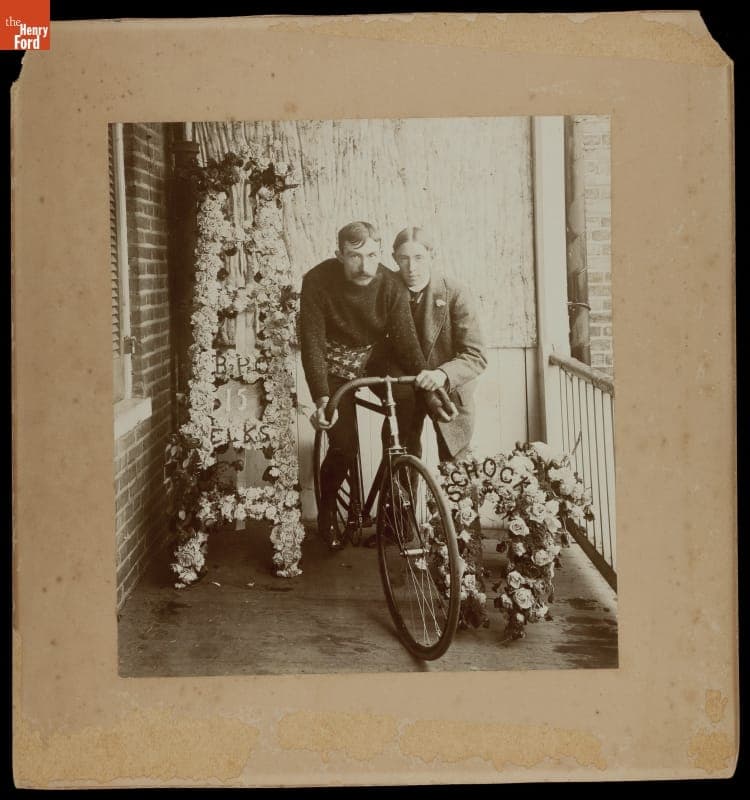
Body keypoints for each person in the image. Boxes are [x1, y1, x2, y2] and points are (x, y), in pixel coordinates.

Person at [299, 221, 450, 550]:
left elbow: (407, 346)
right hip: (335, 366)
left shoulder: (390, 285)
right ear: (339, 254)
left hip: (374, 358)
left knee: (408, 407)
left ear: (380, 253)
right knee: (344, 445)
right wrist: (322, 397)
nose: (365, 265)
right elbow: (311, 344)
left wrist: (430, 386)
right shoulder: (317, 281)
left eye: (371, 255)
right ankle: (326, 511)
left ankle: (395, 506)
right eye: (354, 256)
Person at [380, 226, 487, 465]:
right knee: (399, 465)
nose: (411, 268)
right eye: (403, 259)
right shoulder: (385, 291)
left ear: (432, 256)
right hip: (405, 390)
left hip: (447, 393)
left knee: (457, 474)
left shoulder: (455, 293)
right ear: (394, 258)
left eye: (419, 258)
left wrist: (442, 374)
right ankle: (401, 502)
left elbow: (476, 355)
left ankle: (449, 503)